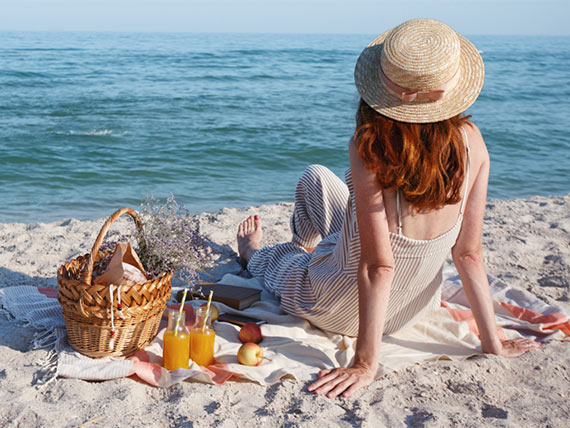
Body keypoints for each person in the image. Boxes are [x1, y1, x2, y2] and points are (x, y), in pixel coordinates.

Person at [236, 18, 540, 399]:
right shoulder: (473, 143)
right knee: (320, 180)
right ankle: (317, 249)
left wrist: (366, 362)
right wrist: (492, 342)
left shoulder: (371, 148)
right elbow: (469, 254)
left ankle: (256, 254)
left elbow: (379, 267)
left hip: (337, 304)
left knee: (283, 259)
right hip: (413, 306)